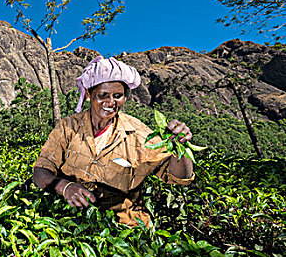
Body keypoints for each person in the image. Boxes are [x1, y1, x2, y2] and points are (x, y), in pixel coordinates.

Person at [33, 56, 194, 227]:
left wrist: (179, 146)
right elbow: (41, 171)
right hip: (71, 222)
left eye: (118, 96)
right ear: (88, 94)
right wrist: (65, 187)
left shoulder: (137, 132)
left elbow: (178, 176)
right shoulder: (68, 127)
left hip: (125, 227)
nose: (110, 102)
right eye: (103, 95)